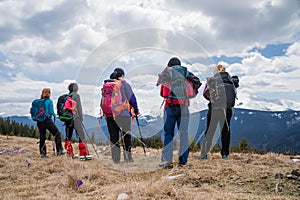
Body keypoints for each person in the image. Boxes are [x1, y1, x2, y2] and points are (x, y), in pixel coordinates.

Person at [157, 57, 201, 167]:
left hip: (169, 107)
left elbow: (162, 93)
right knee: (184, 134)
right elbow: (191, 93)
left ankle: (167, 160)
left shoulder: (167, 75)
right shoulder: (185, 75)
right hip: (183, 107)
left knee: (168, 133)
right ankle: (183, 160)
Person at [200, 64, 239, 159]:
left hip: (214, 108)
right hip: (227, 109)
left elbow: (205, 94)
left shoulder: (212, 80)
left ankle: (204, 154)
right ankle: (225, 154)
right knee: (225, 131)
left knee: (210, 131)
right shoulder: (231, 81)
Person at [102, 68, 139, 164]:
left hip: (110, 115)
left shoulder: (107, 86)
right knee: (126, 136)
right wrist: (136, 110)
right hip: (123, 114)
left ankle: (116, 160)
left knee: (114, 137)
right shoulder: (124, 84)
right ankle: (128, 158)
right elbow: (132, 98)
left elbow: (102, 101)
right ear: (122, 75)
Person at [37, 88, 66, 158]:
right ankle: (59, 150)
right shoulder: (49, 101)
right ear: (49, 93)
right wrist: (56, 115)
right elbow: (51, 112)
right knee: (57, 133)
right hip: (47, 120)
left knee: (42, 137)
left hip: (39, 121)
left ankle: (43, 153)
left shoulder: (39, 102)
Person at [64, 83, 89, 158]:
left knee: (69, 135)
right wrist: (81, 117)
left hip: (68, 118)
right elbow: (79, 107)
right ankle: (83, 153)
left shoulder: (67, 96)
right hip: (76, 118)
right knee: (81, 135)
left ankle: (69, 152)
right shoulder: (76, 95)